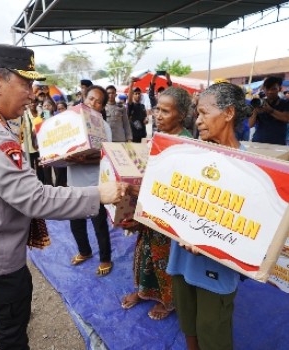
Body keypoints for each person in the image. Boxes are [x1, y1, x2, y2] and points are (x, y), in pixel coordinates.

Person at [0, 43, 126, 350]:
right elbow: (35, 199)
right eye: (25, 83)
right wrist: (101, 194)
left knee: (7, 314)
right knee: (13, 328)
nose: (31, 92)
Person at [166, 82, 249, 350]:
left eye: (204, 113)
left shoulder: (250, 168)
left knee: (212, 332)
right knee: (188, 323)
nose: (198, 121)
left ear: (229, 113)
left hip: (216, 269)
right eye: (196, 114)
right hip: (181, 259)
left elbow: (247, 230)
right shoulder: (189, 154)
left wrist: (209, 242)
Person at [121, 86, 193, 320]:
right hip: (149, 206)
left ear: (181, 115)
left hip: (168, 213)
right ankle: (144, 292)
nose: (158, 115)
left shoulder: (187, 145)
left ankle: (168, 301)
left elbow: (180, 188)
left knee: (164, 257)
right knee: (146, 251)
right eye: (157, 109)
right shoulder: (160, 137)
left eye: (165, 111)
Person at [67, 85, 114, 276]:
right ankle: (84, 251)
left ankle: (105, 258)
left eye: (98, 102)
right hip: (73, 183)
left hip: (95, 184)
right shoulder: (72, 123)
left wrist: (84, 159)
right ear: (84, 99)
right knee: (75, 223)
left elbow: (107, 155)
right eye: (90, 99)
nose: (93, 103)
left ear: (102, 107)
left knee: (99, 224)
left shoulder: (104, 126)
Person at [249, 76, 289, 145]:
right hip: (258, 142)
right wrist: (255, 112)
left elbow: (286, 118)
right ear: (264, 89)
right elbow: (250, 124)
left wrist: (270, 110)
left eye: (273, 89)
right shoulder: (259, 103)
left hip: (277, 144)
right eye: (267, 89)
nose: (270, 92)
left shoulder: (285, 103)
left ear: (279, 89)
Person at [127, 78, 148, 143]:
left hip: (142, 134)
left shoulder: (142, 106)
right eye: (135, 93)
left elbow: (145, 117)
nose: (138, 95)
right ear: (133, 95)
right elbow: (129, 97)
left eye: (139, 93)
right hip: (133, 135)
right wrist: (131, 84)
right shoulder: (131, 105)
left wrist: (146, 120)